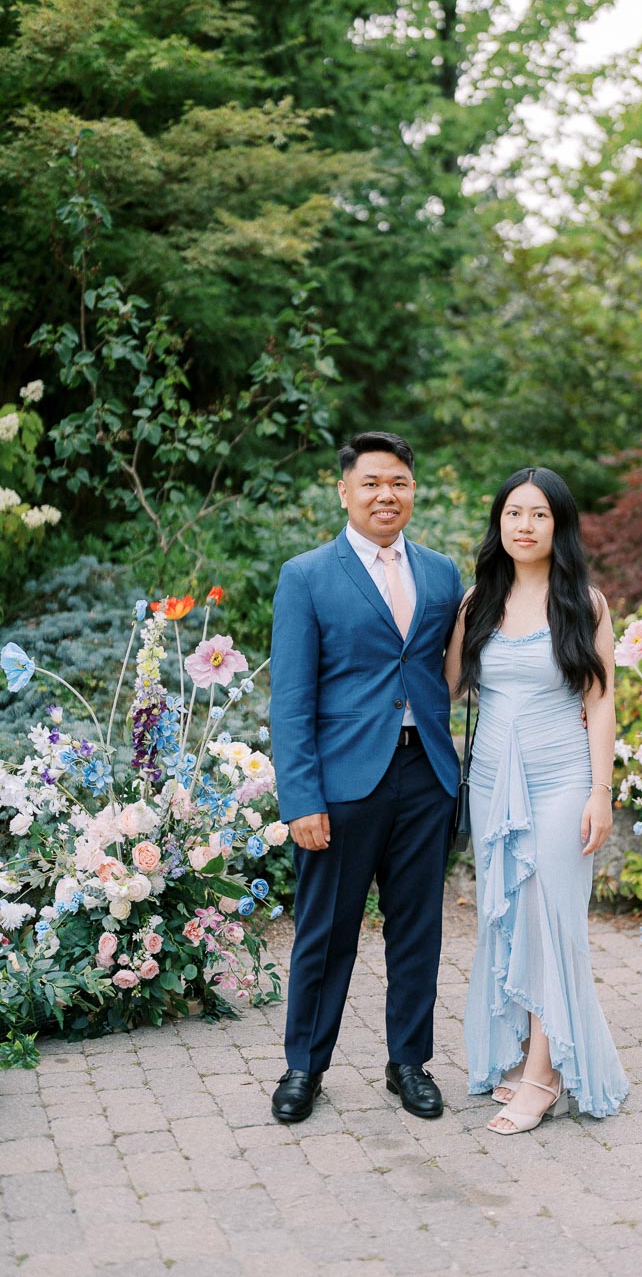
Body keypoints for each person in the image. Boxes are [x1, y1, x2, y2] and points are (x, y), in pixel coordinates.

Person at [269, 431, 463, 1124]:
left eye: (401, 483)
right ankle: (305, 1067)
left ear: (414, 491)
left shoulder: (442, 573)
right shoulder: (307, 575)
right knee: (326, 930)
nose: (388, 494)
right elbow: (289, 699)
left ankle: (408, 1062)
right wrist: (301, 797)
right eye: (374, 482)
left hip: (425, 774)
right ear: (345, 490)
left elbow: (453, 672)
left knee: (418, 929)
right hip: (342, 783)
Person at [444, 467, 629, 1135]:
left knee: (552, 921)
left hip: (561, 781)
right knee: (509, 918)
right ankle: (521, 1051)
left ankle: (545, 1077)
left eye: (540, 514)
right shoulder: (477, 603)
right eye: (514, 513)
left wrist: (600, 793)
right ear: (499, 524)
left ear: (561, 526)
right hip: (493, 782)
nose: (525, 525)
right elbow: (446, 690)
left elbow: (601, 701)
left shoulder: (586, 603)